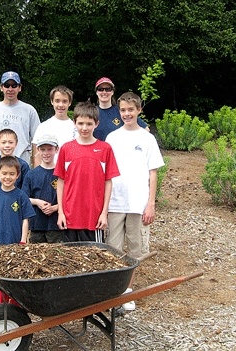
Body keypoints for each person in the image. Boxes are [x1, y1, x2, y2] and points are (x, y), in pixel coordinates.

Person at [105, 92, 165, 311]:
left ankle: (127, 292)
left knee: (134, 248)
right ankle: (113, 292)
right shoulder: (112, 137)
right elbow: (106, 173)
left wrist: (151, 203)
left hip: (137, 202)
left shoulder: (147, 139)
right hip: (115, 202)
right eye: (123, 110)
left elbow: (153, 174)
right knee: (113, 247)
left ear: (139, 110)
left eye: (131, 110)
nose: (127, 114)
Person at [54, 101, 120, 242]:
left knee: (94, 259)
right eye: (81, 123)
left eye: (89, 124)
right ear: (74, 123)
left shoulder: (105, 148)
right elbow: (61, 182)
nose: (84, 128)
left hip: (93, 217)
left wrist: (104, 213)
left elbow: (108, 182)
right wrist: (61, 212)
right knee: (70, 260)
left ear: (96, 124)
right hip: (70, 216)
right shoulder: (66, 148)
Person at [0, 156, 36, 304]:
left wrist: (23, 241)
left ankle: (15, 306)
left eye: (12, 174)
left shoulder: (21, 196)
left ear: (17, 175)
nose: (7, 177)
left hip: (16, 243)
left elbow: (26, 219)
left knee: (15, 274)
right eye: (4, 173)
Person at [0, 71, 40, 166]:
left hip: (22, 164)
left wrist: (37, 166)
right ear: (1, 87)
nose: (10, 89)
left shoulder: (29, 110)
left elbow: (37, 141)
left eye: (14, 85)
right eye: (7, 85)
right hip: (0, 165)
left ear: (19, 88)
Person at [22, 134, 63, 243]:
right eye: (43, 149)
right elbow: (23, 198)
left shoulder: (62, 174)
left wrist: (55, 208)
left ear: (56, 149)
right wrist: (37, 202)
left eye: (50, 149)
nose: (46, 153)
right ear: (38, 150)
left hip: (56, 226)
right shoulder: (31, 174)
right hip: (36, 225)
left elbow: (70, 198)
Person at [32, 85, 77, 166]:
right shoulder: (43, 126)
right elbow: (37, 155)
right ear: (52, 101)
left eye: (64, 101)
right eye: (57, 101)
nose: (60, 105)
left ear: (69, 103)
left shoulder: (76, 128)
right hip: (48, 174)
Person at [93, 77, 149, 141]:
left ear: (112, 92)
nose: (104, 92)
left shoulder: (122, 110)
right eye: (101, 89)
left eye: (108, 89)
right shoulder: (92, 112)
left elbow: (146, 129)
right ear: (96, 92)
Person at [0, 128, 30, 193]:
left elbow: (25, 189)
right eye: (3, 142)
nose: (7, 145)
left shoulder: (23, 165)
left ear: (16, 143)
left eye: (10, 142)